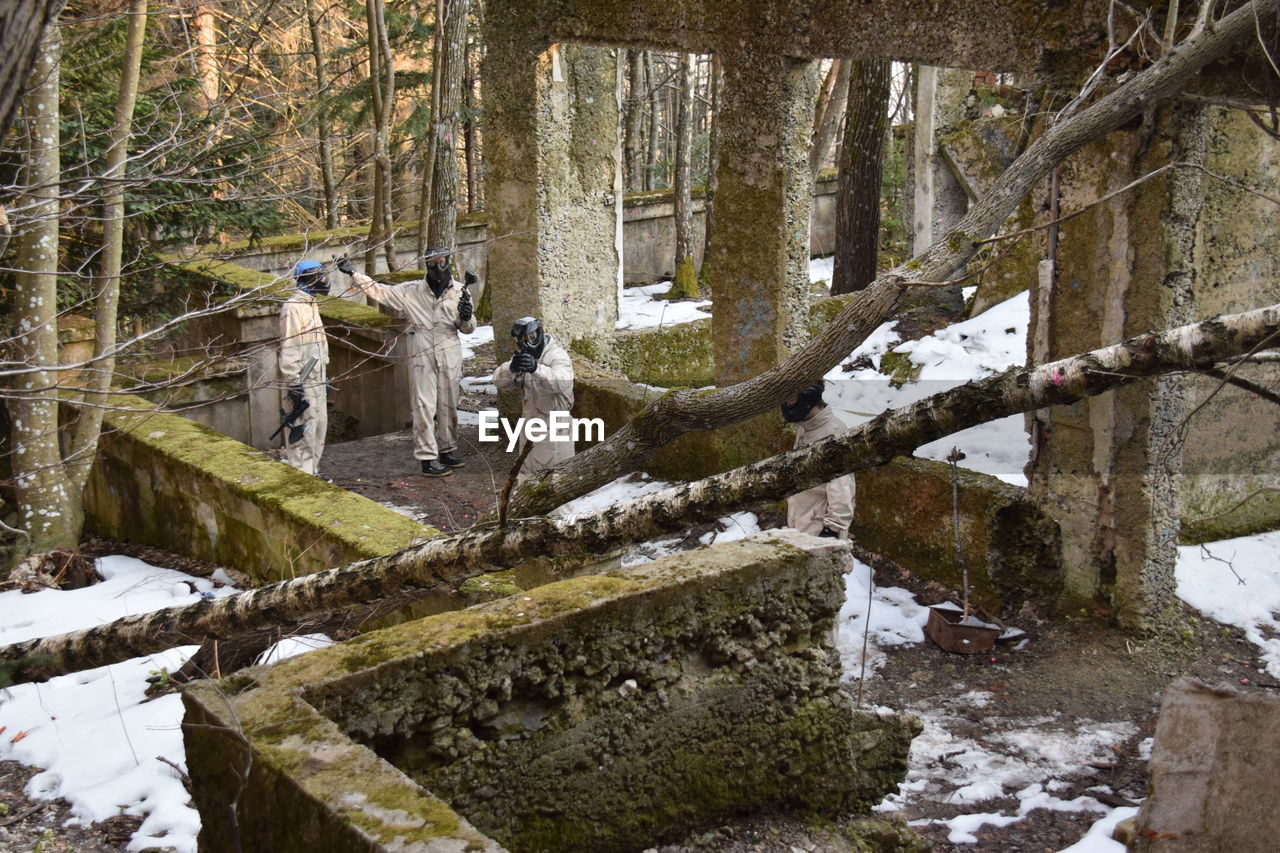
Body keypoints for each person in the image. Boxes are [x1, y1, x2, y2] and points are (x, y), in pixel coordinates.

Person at [337, 248, 474, 477]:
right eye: (433, 261)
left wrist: (467, 317)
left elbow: (468, 329)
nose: (438, 265)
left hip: (449, 345)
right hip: (422, 345)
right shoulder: (411, 290)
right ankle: (427, 457)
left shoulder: (460, 291)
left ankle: (447, 450)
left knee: (449, 402)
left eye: (442, 261)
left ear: (448, 261)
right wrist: (354, 274)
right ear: (426, 264)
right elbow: (380, 292)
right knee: (423, 404)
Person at [492, 316, 575, 482]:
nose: (528, 341)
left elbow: (561, 382)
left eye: (532, 336)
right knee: (526, 477)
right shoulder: (525, 356)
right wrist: (512, 368)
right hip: (530, 424)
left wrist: (536, 369)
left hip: (555, 427)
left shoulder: (557, 355)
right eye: (523, 338)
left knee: (554, 483)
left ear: (540, 333)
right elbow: (498, 381)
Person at [782, 381, 855, 539]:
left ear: (807, 397)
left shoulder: (832, 433)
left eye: (792, 399)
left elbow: (842, 487)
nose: (788, 404)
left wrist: (832, 530)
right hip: (803, 517)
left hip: (820, 526)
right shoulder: (806, 428)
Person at [279, 259, 331, 476]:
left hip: (316, 376)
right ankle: (302, 475)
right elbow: (290, 346)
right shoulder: (293, 307)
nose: (325, 280)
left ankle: (313, 471)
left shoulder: (311, 303)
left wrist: (325, 375)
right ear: (308, 279)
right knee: (303, 430)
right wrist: (294, 383)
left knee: (319, 427)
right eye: (320, 276)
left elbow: (319, 345)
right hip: (302, 378)